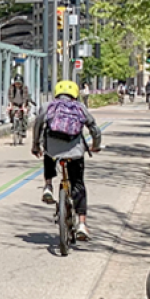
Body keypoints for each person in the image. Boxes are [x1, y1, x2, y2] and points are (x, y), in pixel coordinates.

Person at [31, 80, 103, 241]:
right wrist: (95, 146)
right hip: (75, 152)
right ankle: (82, 224)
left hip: (53, 149)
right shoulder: (80, 108)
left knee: (48, 152)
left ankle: (48, 186)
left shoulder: (48, 106)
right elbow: (94, 129)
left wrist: (36, 145)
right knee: (78, 183)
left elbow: (38, 125)